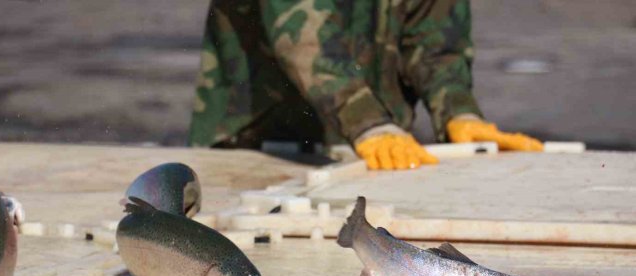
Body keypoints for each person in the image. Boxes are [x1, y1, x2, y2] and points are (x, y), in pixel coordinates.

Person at [189, 0, 543, 170]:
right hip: (258, 149)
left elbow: (435, 41)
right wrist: (366, 120)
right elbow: (304, 35)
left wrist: (459, 111)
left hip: (374, 150)